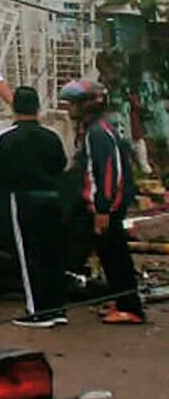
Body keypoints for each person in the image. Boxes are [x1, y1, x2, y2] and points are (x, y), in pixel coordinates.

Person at [58, 79, 145, 324]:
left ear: (86, 105)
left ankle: (131, 308)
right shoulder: (94, 129)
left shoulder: (98, 133)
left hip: (106, 208)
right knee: (109, 255)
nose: (69, 110)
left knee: (116, 257)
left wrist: (103, 209)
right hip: (103, 206)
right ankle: (121, 300)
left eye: (72, 104)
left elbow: (108, 173)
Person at [0, 86, 71, 326]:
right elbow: (60, 166)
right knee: (53, 254)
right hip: (53, 200)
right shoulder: (52, 137)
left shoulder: (7, 139)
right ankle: (57, 309)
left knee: (29, 256)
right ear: (38, 108)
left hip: (24, 199)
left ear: (14, 108)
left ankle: (37, 311)